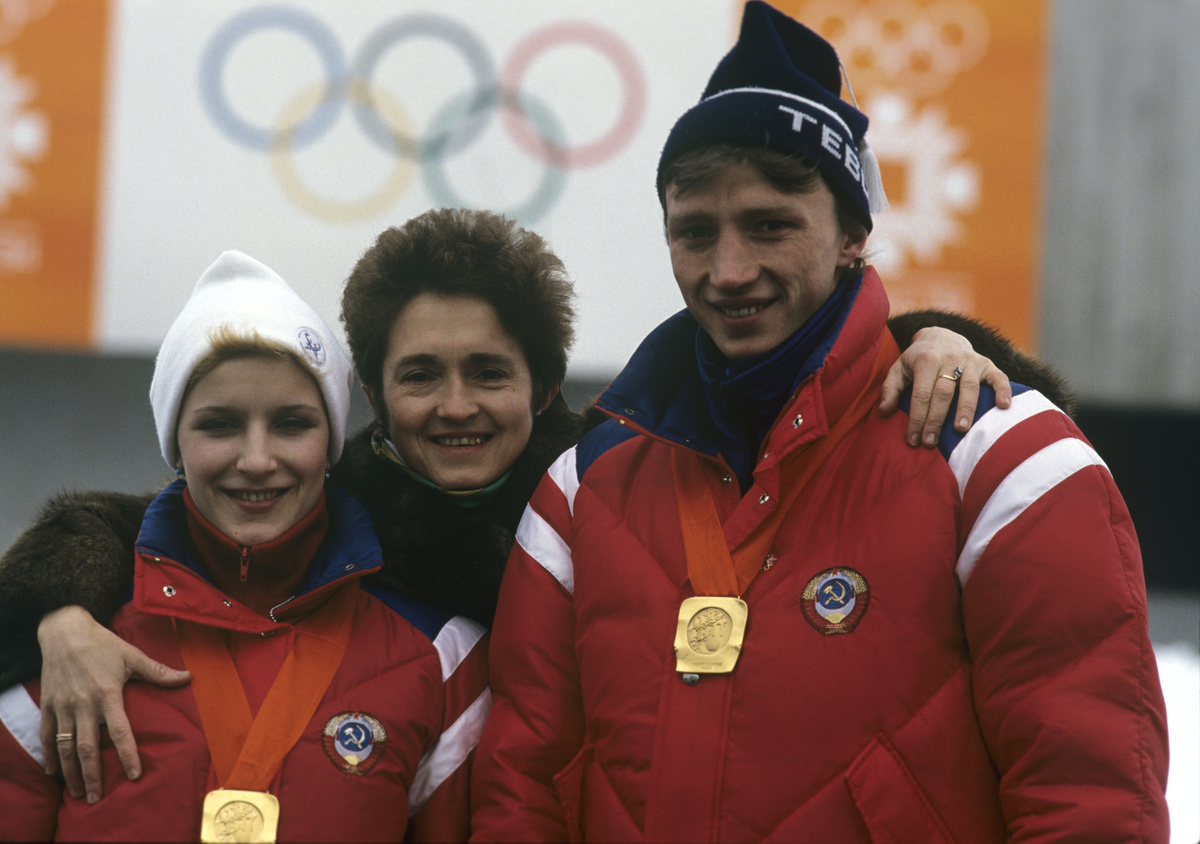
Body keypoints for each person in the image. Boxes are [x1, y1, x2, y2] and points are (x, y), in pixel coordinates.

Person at [1, 208, 1039, 808]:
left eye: (488, 371)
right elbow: (135, 522)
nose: (456, 406)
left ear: (545, 385)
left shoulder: (619, 482)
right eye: (421, 375)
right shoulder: (330, 494)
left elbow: (795, 442)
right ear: (373, 392)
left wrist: (930, 339)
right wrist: (56, 614)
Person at [468, 4, 1169, 842]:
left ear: (852, 235)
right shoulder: (582, 491)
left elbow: (1088, 797)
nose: (728, 271)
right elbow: (523, 790)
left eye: (771, 225)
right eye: (695, 233)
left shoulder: (1004, 461)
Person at [0, 250, 489, 841]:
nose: (257, 461)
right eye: (219, 425)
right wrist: (51, 625)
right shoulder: (71, 646)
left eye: (291, 424)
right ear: (174, 443)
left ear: (332, 440)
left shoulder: (442, 657)